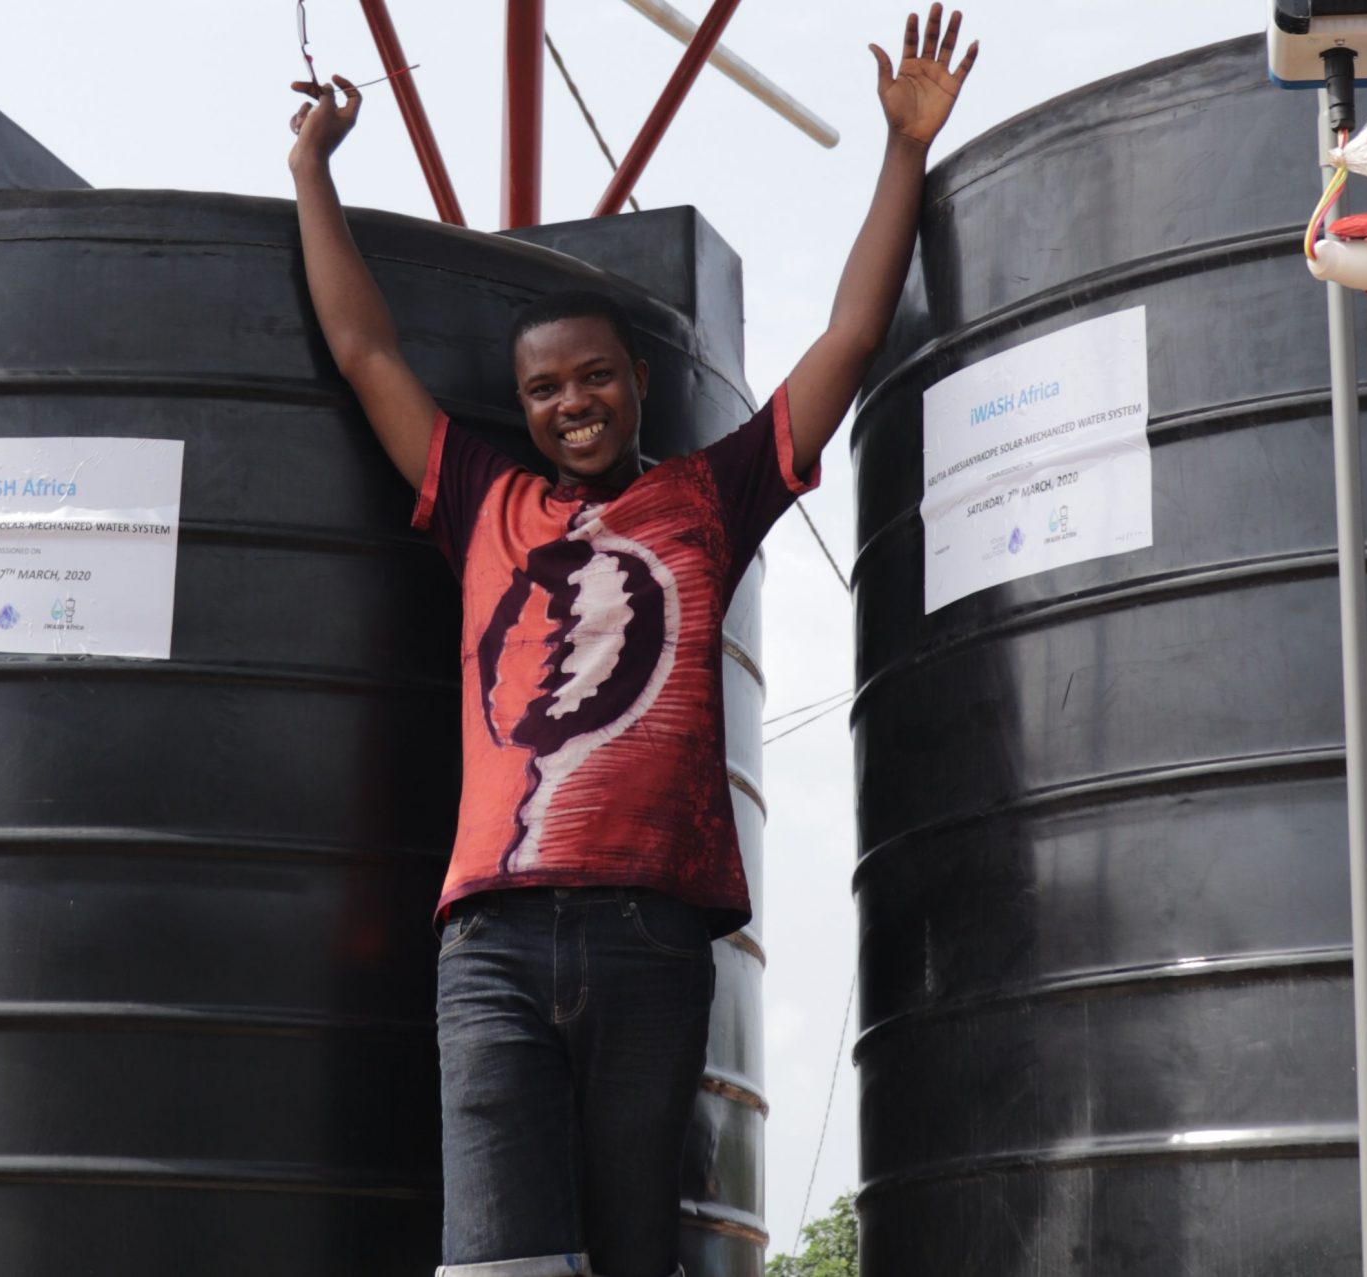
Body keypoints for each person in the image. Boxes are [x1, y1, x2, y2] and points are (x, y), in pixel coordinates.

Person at [287, 9, 976, 1275]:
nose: (571, 403)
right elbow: (362, 347)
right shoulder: (483, 499)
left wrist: (903, 151)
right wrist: (312, 171)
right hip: (490, 940)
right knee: (498, 1260)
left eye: (592, 376)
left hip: (648, 937)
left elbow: (848, 341)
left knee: (632, 1255)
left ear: (635, 381)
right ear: (525, 408)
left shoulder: (706, 500)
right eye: (545, 388)